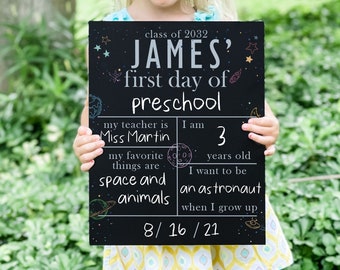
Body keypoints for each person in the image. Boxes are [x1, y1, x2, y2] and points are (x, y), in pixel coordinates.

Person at [73, 0, 294, 269]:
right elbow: (95, 108)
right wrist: (85, 142)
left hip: (219, 200)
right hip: (145, 209)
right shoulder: (110, 36)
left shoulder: (217, 26)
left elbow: (252, 102)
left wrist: (268, 127)